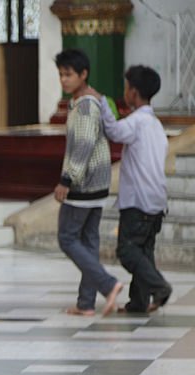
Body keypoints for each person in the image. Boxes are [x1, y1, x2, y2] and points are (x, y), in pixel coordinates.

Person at [84, 66, 171, 314]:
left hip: (139, 200)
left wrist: (101, 104)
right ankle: (139, 302)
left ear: (133, 92)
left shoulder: (137, 122)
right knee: (144, 250)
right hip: (156, 199)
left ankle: (159, 286)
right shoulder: (155, 124)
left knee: (127, 250)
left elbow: (114, 131)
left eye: (126, 88)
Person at [53, 49, 123, 316]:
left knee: (67, 238)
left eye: (69, 74)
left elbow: (82, 145)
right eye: (60, 74)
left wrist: (66, 180)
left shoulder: (84, 105)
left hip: (83, 184)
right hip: (99, 183)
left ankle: (108, 284)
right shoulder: (91, 101)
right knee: (89, 240)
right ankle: (85, 303)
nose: (64, 80)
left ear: (84, 74)